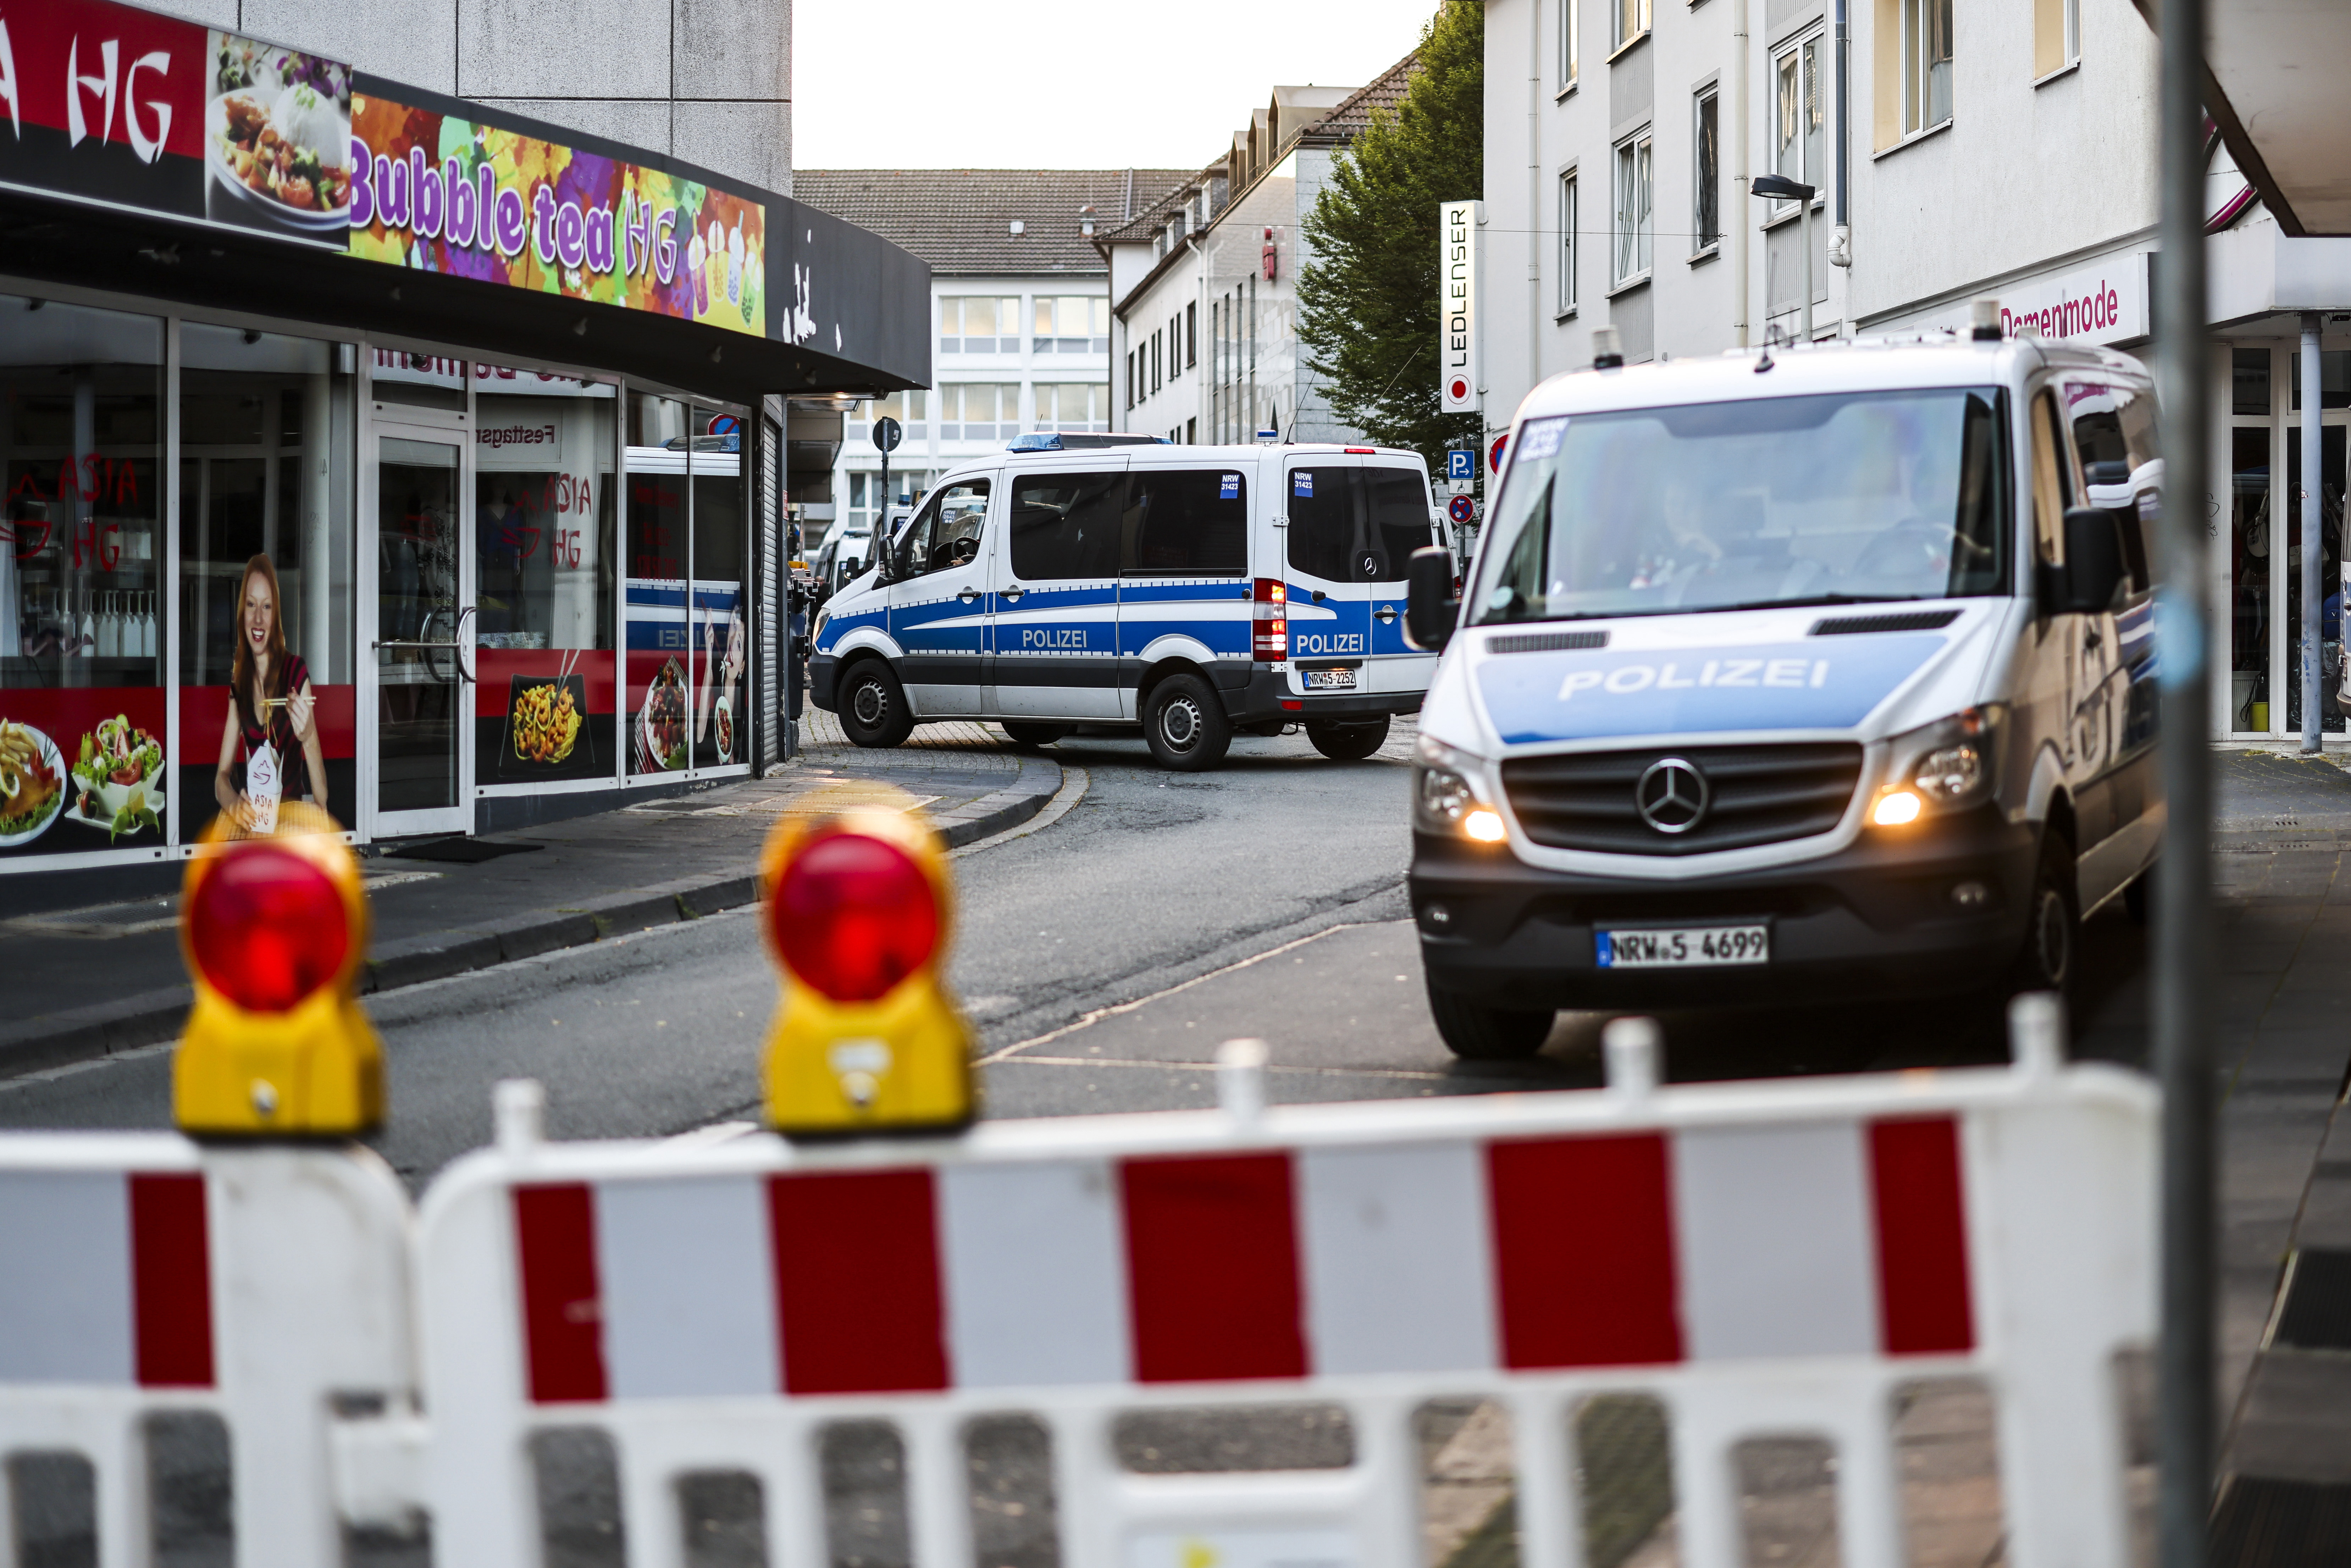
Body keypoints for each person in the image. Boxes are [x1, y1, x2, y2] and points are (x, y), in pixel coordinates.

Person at [213, 554, 328, 829]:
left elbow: (323, 798)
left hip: (292, 816)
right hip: (256, 819)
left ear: (275, 614)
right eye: (251, 605)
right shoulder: (239, 681)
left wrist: (309, 736)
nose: (257, 618)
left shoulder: (296, 671)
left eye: (267, 607)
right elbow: (221, 777)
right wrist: (232, 803)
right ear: (242, 611)